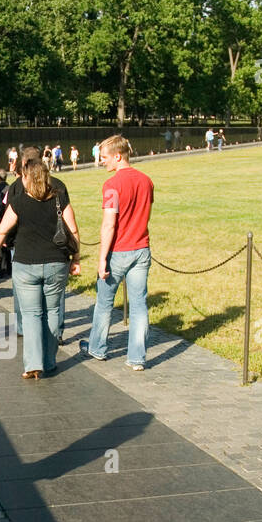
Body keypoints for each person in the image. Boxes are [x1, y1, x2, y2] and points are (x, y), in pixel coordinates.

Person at [0, 158, 79, 379]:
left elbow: (2, 230)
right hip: (56, 263)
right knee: (52, 311)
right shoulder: (59, 198)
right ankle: (49, 362)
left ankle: (33, 364)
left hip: (26, 263)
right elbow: (73, 230)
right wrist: (76, 258)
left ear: (26, 177)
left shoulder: (19, 201)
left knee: (31, 315)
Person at [81, 135, 153, 371]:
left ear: (117, 156)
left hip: (119, 251)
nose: (102, 162)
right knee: (139, 304)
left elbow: (109, 224)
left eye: (104, 158)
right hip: (141, 249)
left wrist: (102, 258)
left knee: (104, 303)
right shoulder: (146, 181)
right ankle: (137, 357)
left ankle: (98, 348)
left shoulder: (112, 185)